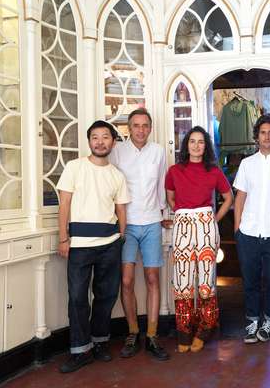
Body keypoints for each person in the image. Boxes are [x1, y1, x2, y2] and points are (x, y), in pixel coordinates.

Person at [56, 120, 129, 373]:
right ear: (89, 141)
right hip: (79, 245)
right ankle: (80, 350)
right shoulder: (74, 167)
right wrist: (63, 238)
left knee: (106, 296)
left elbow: (121, 209)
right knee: (77, 298)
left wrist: (120, 237)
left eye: (105, 137)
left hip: (109, 244)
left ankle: (100, 342)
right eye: (95, 137)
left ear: (113, 141)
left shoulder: (116, 175)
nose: (100, 141)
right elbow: (64, 204)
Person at [165, 126, 233, 353]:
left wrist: (213, 218)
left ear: (206, 146)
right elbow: (171, 197)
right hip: (182, 223)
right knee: (182, 279)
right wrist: (184, 215)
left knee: (206, 279)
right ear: (186, 145)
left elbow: (228, 197)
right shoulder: (174, 170)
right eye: (192, 141)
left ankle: (205, 329)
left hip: (206, 225)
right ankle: (184, 331)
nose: (196, 146)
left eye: (201, 142)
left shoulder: (213, 171)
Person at [109, 108, 169, 361]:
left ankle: (152, 335)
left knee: (153, 277)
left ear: (150, 128)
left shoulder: (158, 152)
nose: (141, 130)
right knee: (126, 281)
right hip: (126, 224)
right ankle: (133, 332)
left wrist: (164, 210)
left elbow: (161, 184)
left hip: (153, 221)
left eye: (145, 125)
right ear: (129, 128)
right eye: (136, 125)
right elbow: (110, 185)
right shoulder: (117, 152)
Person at [233, 114, 270, 344]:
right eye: (262, 133)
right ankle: (252, 322)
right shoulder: (248, 164)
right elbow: (240, 198)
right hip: (248, 233)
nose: (266, 136)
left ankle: (269, 320)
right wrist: (238, 230)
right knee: (250, 281)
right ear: (256, 137)